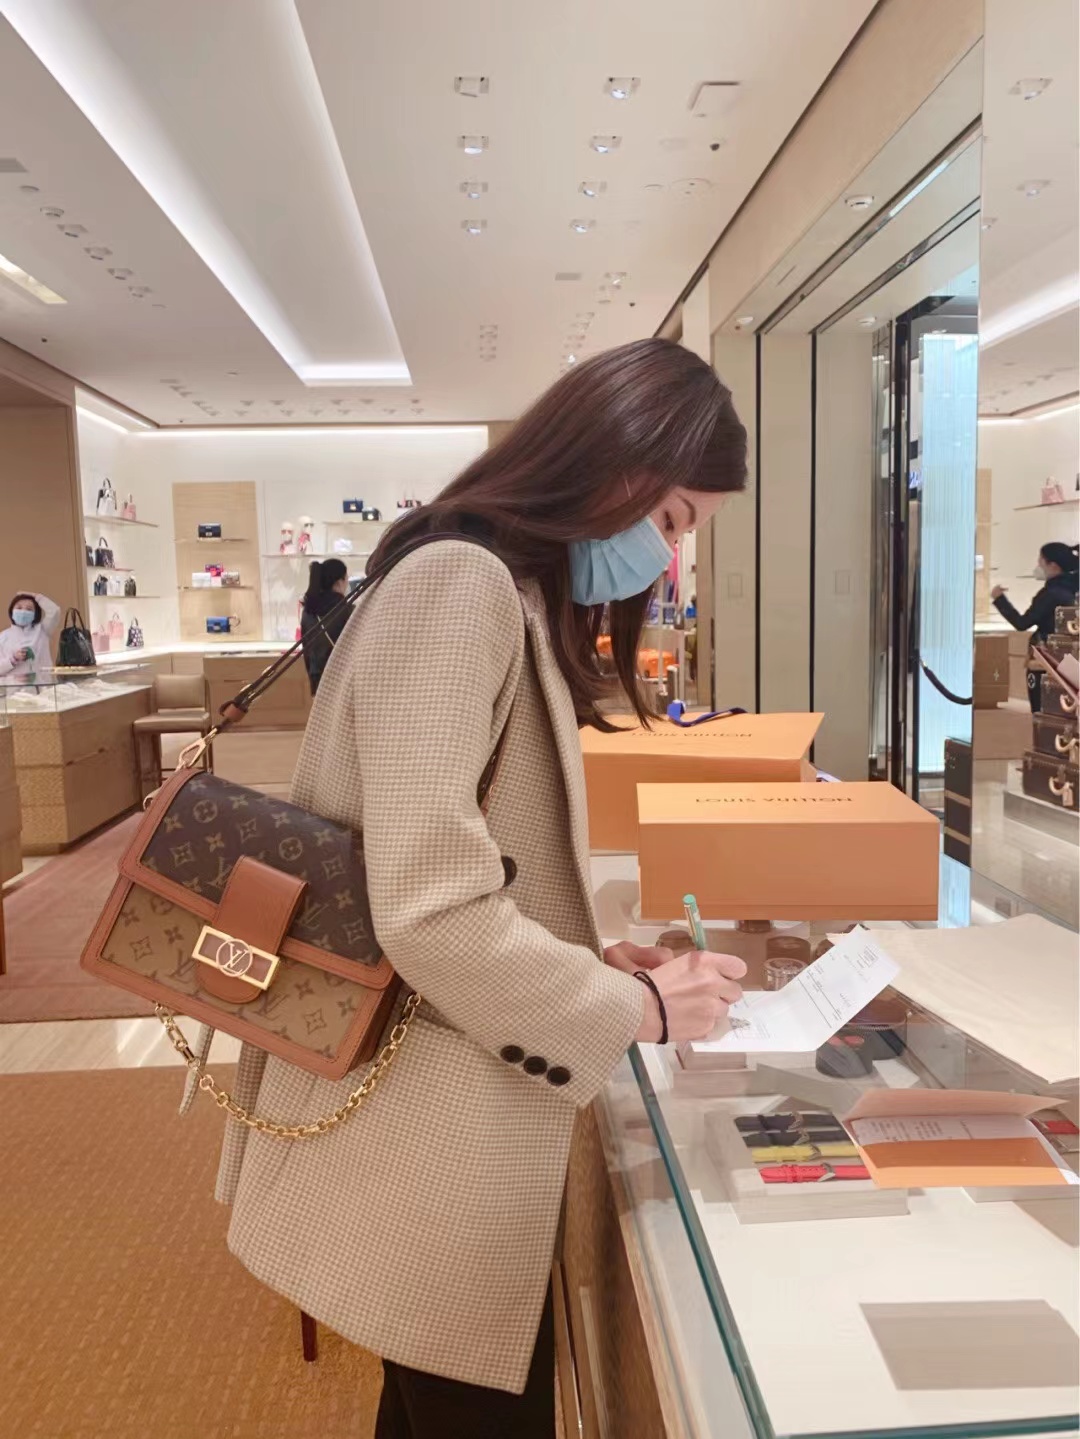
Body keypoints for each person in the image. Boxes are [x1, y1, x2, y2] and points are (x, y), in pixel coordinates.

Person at [215, 339, 749, 1439]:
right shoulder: (461, 587)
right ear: (612, 464)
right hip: (424, 1117)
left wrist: (587, 959)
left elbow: (458, 861)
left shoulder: (494, 588)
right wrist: (636, 1006)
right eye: (674, 519)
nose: (671, 555)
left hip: (435, 1090)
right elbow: (432, 906)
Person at [992, 541, 1080, 712]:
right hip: (1070, 661)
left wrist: (999, 599)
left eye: (1041, 563)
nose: (1038, 568)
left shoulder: (1050, 595)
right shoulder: (1072, 591)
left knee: (1041, 708)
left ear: (1053, 566)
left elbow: (1022, 623)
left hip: (1046, 659)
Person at [299, 557, 350, 694]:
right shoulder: (346, 610)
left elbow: (306, 649)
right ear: (339, 582)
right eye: (346, 579)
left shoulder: (308, 610)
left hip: (317, 677)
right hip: (341, 678)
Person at [0, 592, 61, 684]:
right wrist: (13, 659)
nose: (23, 612)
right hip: (15, 689)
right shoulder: (3, 637)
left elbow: (55, 611)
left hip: (43, 688)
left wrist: (34, 596)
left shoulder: (42, 630)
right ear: (12, 611)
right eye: (19, 608)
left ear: (35, 614)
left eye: (29, 609)